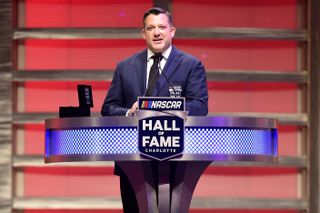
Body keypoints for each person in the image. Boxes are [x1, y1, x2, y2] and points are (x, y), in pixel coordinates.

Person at [101, 7, 208, 212]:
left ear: (172, 31)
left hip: (175, 160)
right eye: (151, 28)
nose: (156, 32)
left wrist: (162, 108)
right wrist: (128, 113)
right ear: (144, 33)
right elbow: (108, 108)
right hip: (132, 161)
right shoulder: (125, 66)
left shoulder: (191, 65)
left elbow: (200, 107)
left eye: (161, 27)